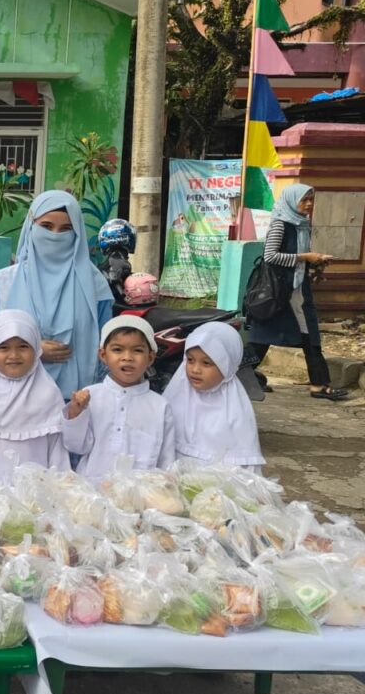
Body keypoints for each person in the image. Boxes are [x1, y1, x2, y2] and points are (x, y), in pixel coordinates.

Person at [0, 190, 113, 397]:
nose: (55, 236)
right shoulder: (3, 282)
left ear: (77, 234)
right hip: (13, 394)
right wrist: (32, 349)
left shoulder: (95, 285)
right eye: (47, 227)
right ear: (31, 226)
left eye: (66, 229)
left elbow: (107, 342)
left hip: (77, 398)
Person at [247, 184, 346, 400]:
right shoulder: (280, 225)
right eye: (305, 200)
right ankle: (240, 377)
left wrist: (314, 268)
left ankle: (319, 385)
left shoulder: (302, 225)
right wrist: (305, 258)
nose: (309, 204)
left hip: (299, 292)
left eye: (311, 199)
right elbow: (270, 256)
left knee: (310, 336)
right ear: (292, 201)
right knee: (262, 338)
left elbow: (297, 259)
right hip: (279, 293)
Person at [0, 309, 68, 483]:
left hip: (32, 497)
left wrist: (59, 489)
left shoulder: (48, 395)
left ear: (37, 350)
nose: (14, 355)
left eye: (23, 347)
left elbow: (56, 451)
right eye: (3, 347)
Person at [62, 315, 176, 482]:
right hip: (92, 492)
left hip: (140, 498)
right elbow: (76, 446)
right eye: (117, 350)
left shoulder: (160, 406)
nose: (127, 357)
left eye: (137, 350)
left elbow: (166, 460)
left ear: (150, 358)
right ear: (103, 355)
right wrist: (75, 412)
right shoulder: (90, 396)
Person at [164, 323, 264, 472]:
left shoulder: (236, 414)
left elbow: (245, 470)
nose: (195, 369)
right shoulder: (174, 398)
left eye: (206, 363)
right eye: (190, 360)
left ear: (227, 365)